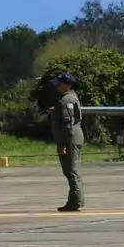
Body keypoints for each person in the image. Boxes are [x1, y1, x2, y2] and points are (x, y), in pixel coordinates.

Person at [52, 71, 85, 212]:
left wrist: (63, 144)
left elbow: (67, 124)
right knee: (72, 170)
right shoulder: (70, 98)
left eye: (60, 84)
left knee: (71, 170)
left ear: (66, 85)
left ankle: (75, 202)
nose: (57, 86)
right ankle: (75, 200)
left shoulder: (65, 100)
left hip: (69, 137)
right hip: (74, 135)